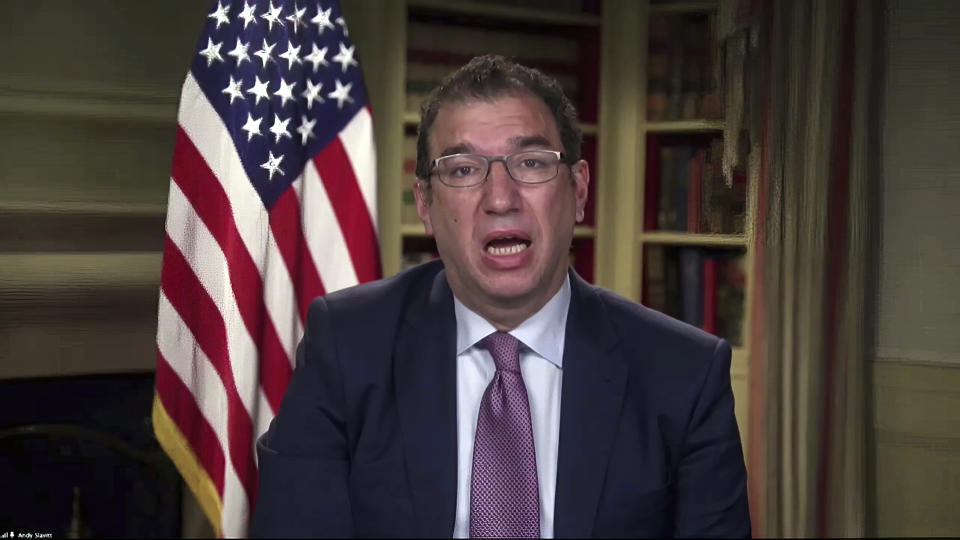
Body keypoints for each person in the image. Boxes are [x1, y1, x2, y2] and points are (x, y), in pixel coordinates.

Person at [251, 54, 751, 538]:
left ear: (577, 191)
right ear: (424, 203)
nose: (500, 198)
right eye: (464, 169)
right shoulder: (348, 346)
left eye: (531, 163)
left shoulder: (683, 375)